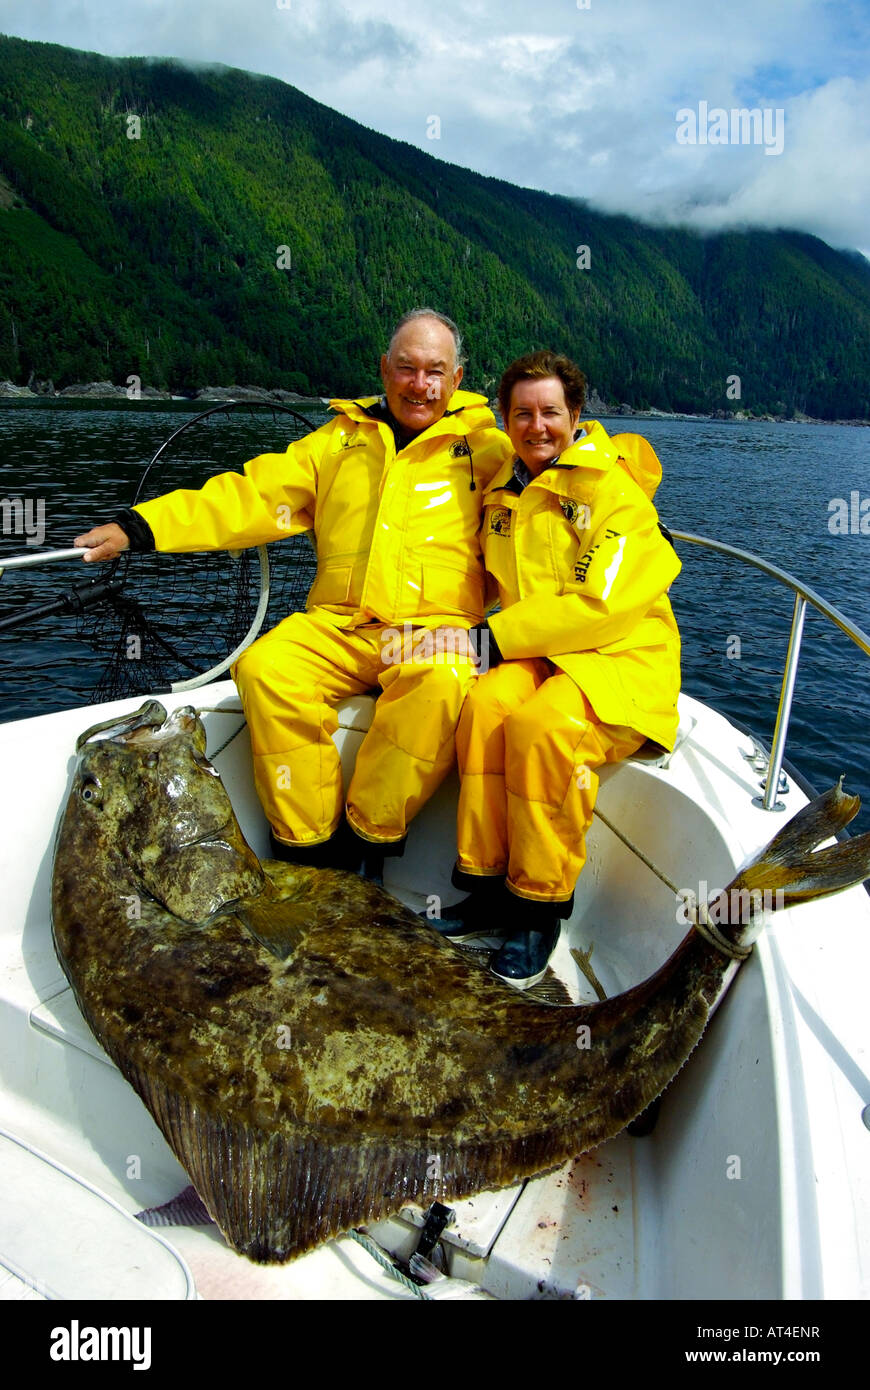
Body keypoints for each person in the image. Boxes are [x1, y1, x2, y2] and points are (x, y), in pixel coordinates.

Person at [74, 309, 506, 877]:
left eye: (434, 371)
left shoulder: (491, 450)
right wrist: (139, 528)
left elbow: (544, 522)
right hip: (338, 625)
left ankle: (367, 841)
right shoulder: (337, 442)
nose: (419, 385)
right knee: (265, 669)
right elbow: (251, 495)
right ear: (384, 370)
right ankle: (308, 850)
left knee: (443, 679)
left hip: (434, 630)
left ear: (456, 377)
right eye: (406, 368)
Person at [433, 350, 682, 987]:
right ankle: (488, 888)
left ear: (576, 415)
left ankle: (539, 909)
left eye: (550, 412)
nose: (536, 426)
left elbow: (600, 605)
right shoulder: (503, 492)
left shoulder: (616, 496)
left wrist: (492, 639)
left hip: (619, 662)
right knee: (486, 707)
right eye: (522, 413)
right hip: (540, 652)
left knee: (546, 729)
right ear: (506, 419)